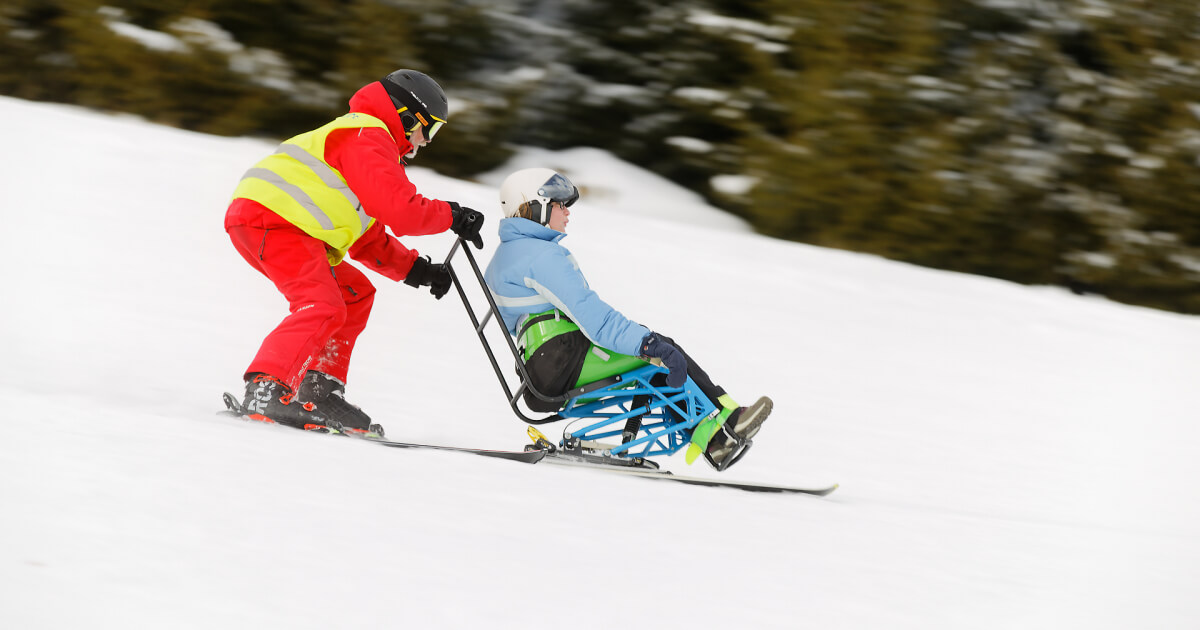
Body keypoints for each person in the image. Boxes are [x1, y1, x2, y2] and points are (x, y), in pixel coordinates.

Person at [224, 69, 485, 436]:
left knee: (354, 293)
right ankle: (265, 386)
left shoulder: (368, 147)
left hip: (280, 223)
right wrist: (452, 215)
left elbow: (368, 236)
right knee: (321, 303)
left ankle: (319, 388)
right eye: (429, 129)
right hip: (273, 219)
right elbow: (402, 211)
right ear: (407, 116)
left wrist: (418, 270)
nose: (425, 141)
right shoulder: (367, 136)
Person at [482, 168, 771, 470]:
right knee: (662, 351)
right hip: (562, 362)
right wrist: (647, 344)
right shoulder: (543, 256)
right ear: (535, 206)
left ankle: (712, 433)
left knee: (655, 356)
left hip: (536, 374)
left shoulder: (504, 258)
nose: (568, 213)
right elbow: (597, 321)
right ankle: (724, 426)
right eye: (560, 204)